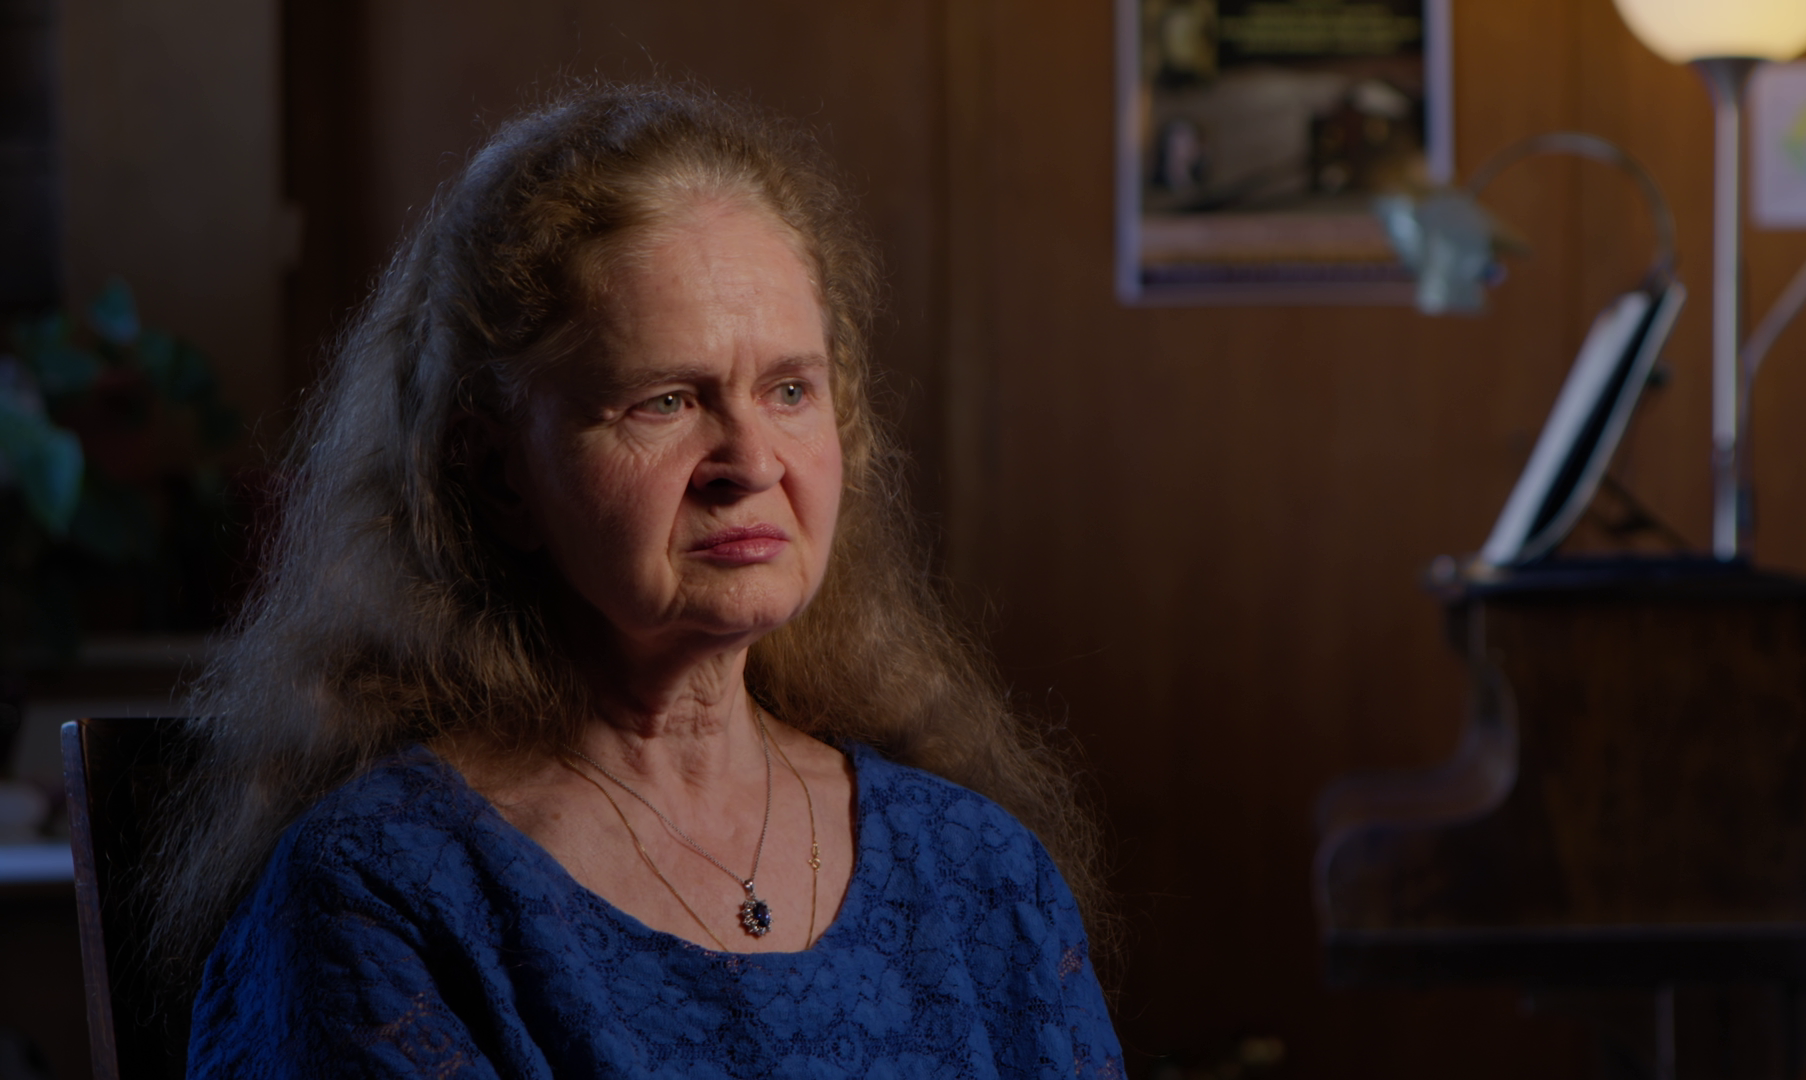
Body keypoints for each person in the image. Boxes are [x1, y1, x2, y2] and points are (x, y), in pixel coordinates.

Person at [149, 82, 1123, 1077]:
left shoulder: (977, 870)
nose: (750, 461)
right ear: (496, 474)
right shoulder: (385, 891)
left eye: (790, 389)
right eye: (664, 402)